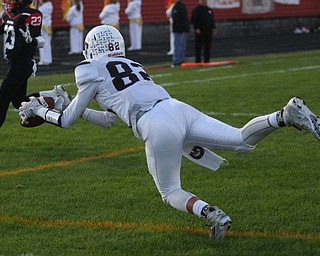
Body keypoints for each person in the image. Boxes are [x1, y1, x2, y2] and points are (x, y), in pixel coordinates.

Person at [18, 25, 320, 239]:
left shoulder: (88, 69)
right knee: (241, 141)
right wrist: (72, 104)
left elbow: (66, 121)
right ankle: (283, 116)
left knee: (169, 191)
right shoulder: (130, 63)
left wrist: (40, 111)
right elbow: (110, 120)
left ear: (91, 48)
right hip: (177, 107)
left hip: (156, 122)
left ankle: (214, 215)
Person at [0, 0, 46, 128]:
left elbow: (40, 41)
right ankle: (53, 95)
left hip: (22, 62)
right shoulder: (7, 15)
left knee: (2, 98)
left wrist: (31, 40)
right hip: (13, 62)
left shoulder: (31, 14)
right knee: (19, 101)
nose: (7, 2)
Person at [171, 0, 189, 67]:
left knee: (182, 45)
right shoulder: (176, 7)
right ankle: (176, 60)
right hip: (178, 30)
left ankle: (181, 59)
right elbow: (175, 19)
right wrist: (180, 28)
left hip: (183, 29)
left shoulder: (183, 6)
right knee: (178, 45)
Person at [38, 0, 53, 65]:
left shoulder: (42, 7)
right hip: (48, 25)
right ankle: (48, 59)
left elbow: (39, 13)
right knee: (48, 43)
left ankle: (43, 59)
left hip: (43, 26)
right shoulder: (50, 5)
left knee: (42, 43)